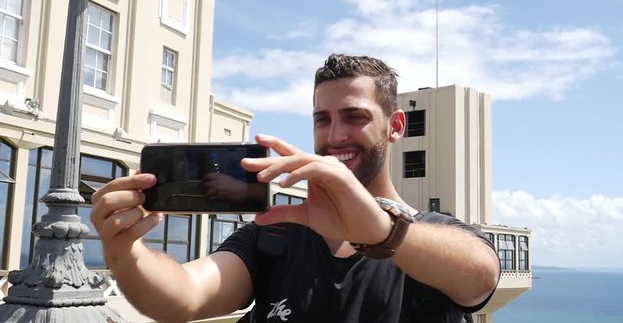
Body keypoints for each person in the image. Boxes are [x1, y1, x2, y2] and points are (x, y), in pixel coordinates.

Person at [91, 54, 500, 323]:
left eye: (354, 116)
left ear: (394, 127)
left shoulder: (434, 234)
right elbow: (183, 297)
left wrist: (380, 229)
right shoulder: (278, 233)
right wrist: (125, 252)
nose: (335, 135)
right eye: (322, 119)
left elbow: (480, 277)